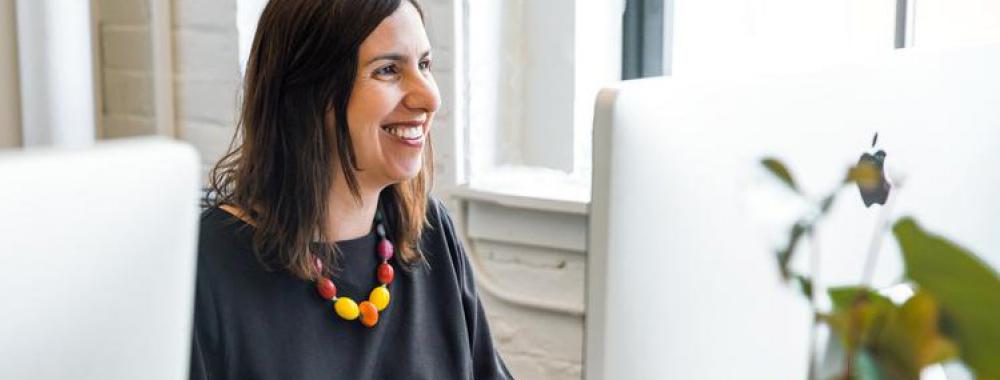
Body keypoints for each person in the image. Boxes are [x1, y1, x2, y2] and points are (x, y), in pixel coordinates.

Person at [190, 0, 514, 378]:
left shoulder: (430, 232)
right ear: (309, 94)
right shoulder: (207, 264)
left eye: (424, 65)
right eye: (388, 70)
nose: (429, 98)